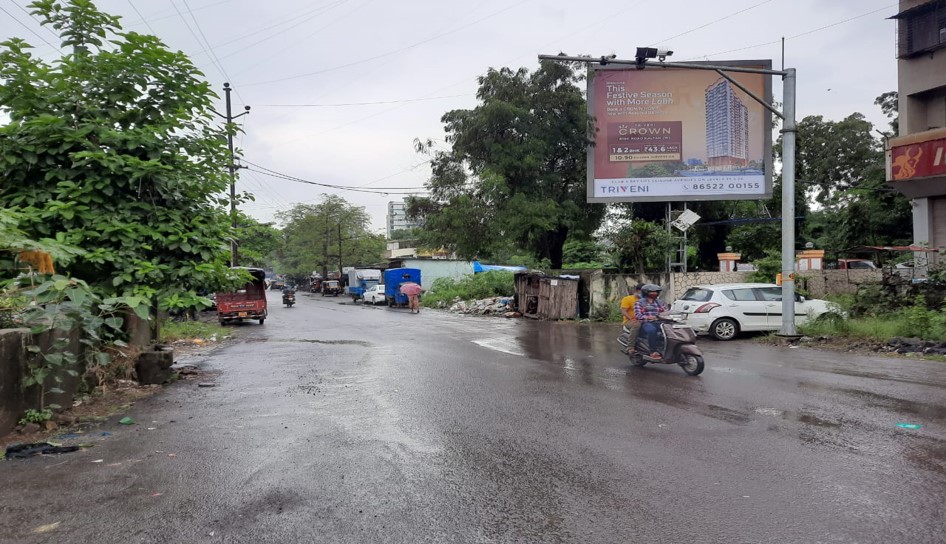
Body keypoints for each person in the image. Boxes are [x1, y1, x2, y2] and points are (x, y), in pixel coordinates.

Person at [634, 284, 668, 359]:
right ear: (646, 292)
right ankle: (653, 351)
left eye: (656, 292)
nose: (654, 293)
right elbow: (638, 315)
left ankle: (665, 348)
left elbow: (666, 311)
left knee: (670, 330)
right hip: (646, 323)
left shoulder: (660, 302)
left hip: (659, 322)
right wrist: (648, 317)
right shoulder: (639, 303)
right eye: (652, 292)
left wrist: (665, 314)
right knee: (652, 330)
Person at [618, 284, 644, 353]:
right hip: (629, 321)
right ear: (638, 291)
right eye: (643, 291)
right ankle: (630, 347)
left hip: (644, 320)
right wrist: (632, 319)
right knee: (637, 325)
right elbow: (624, 311)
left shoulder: (647, 300)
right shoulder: (628, 299)